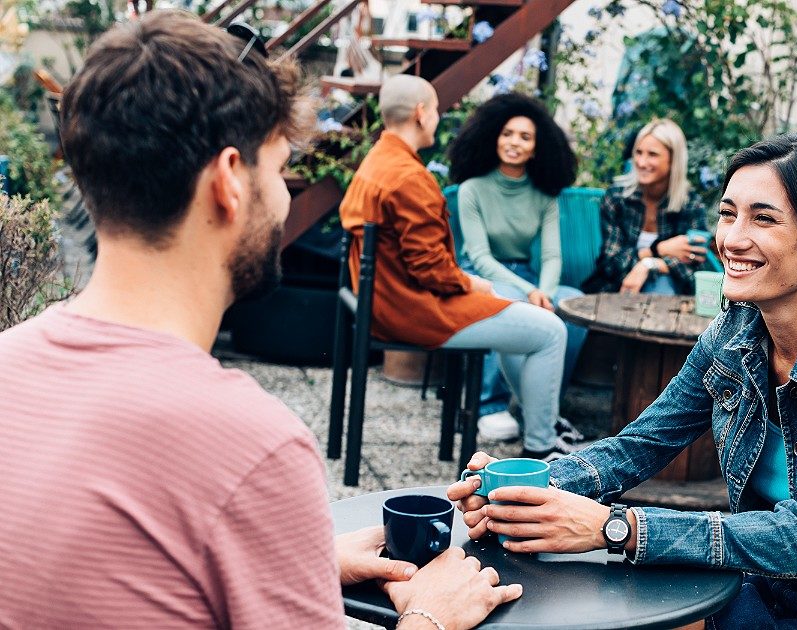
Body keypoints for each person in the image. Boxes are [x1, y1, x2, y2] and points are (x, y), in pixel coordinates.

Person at [0, 12, 519, 628]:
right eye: (276, 170)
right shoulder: (251, 446)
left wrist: (294, 561)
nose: (281, 197)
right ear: (228, 182)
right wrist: (432, 617)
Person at [450, 134, 797, 628]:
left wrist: (614, 527)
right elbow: (639, 447)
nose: (731, 239)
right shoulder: (734, 335)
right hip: (756, 582)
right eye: (728, 214)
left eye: (764, 218)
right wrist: (525, 493)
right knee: (551, 604)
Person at [339, 76, 577, 461]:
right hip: (414, 308)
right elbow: (431, 269)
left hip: (386, 299)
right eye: (434, 110)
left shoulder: (378, 161)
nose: (437, 117)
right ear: (420, 113)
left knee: (532, 318)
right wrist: (474, 285)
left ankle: (539, 431)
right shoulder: (409, 177)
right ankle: (542, 449)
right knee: (549, 330)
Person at [446, 93, 587, 443]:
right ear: (494, 137)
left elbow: (553, 257)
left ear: (536, 148)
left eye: (525, 137)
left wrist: (548, 294)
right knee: (509, 306)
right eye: (508, 133)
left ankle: (539, 407)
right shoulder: (472, 190)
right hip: (481, 276)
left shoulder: (544, 194)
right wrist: (530, 292)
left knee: (575, 308)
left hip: (526, 275)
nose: (514, 142)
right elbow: (479, 256)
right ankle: (490, 405)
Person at [581, 119, 710, 295]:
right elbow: (610, 265)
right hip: (613, 291)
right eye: (639, 153)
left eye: (652, 154)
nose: (641, 162)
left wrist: (649, 264)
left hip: (668, 297)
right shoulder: (617, 197)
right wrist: (659, 250)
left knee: (662, 284)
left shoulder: (690, 205)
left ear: (673, 160)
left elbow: (694, 272)